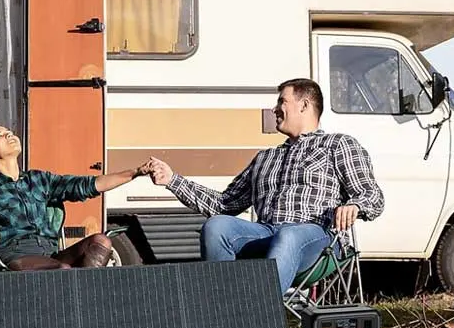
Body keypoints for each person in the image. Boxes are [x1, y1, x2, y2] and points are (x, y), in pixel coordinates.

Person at [145, 78, 385, 295]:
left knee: (289, 234)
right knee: (217, 226)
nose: (274, 109)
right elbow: (224, 204)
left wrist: (355, 205)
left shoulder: (338, 145)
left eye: (282, 101)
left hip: (316, 237)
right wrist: (172, 180)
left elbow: (372, 195)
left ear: (304, 105)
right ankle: (220, 312)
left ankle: (256, 318)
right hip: (267, 233)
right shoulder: (266, 157)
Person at [0, 124, 150, 271]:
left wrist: (136, 172)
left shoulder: (40, 179)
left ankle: (88, 298)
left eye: (10, 132)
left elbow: (89, 185)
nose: (9, 135)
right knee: (60, 272)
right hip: (14, 257)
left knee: (101, 241)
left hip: (51, 253)